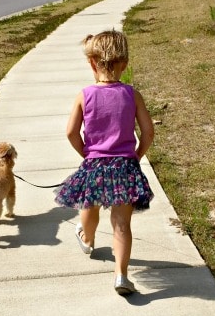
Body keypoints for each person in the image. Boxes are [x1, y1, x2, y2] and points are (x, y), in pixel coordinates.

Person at [55, 30, 154, 295]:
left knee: (90, 204)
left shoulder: (84, 95)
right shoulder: (132, 95)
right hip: (124, 165)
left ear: (92, 63)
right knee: (122, 224)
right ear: (125, 64)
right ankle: (121, 275)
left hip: (95, 163)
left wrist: (87, 154)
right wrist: (137, 155)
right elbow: (148, 132)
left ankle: (86, 238)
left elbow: (70, 132)